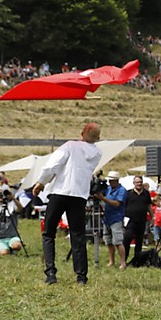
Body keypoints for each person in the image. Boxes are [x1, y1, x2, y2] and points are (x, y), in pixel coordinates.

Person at [34, 122, 102, 285]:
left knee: (49, 232)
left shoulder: (70, 145)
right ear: (98, 137)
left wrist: (41, 182)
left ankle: (51, 273)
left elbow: (53, 165)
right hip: (79, 195)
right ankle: (81, 277)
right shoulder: (98, 153)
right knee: (78, 236)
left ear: (82, 132)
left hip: (61, 192)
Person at [95, 170, 127, 269]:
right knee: (108, 241)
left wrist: (103, 198)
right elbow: (99, 191)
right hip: (107, 218)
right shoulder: (108, 189)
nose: (110, 182)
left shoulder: (122, 190)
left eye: (112, 180)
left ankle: (122, 262)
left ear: (117, 180)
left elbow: (117, 204)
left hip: (116, 218)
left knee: (118, 241)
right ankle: (111, 261)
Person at [123, 176, 154, 264]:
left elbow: (149, 206)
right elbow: (123, 205)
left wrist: (152, 217)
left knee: (139, 241)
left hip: (142, 220)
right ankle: (124, 260)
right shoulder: (128, 193)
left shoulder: (146, 193)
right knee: (127, 239)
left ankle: (137, 261)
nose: (139, 184)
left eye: (140, 182)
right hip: (130, 220)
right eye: (137, 182)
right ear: (134, 183)